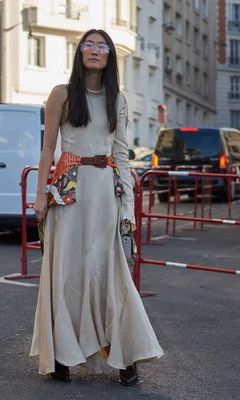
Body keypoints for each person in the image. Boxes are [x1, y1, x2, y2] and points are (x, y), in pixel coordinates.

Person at [30, 29, 164, 387]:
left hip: (105, 192)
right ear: (79, 52)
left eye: (101, 45)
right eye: (88, 44)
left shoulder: (116, 100)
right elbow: (47, 149)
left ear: (109, 56)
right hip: (68, 191)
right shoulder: (61, 94)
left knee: (110, 273)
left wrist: (129, 206)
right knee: (66, 274)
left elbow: (122, 155)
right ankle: (61, 356)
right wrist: (40, 195)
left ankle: (125, 357)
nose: (94, 49)